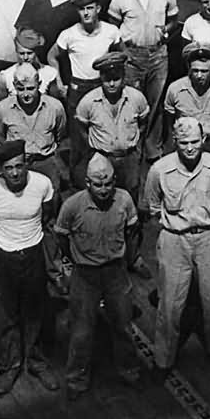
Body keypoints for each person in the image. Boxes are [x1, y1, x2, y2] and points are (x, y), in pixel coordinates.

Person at [143, 116, 210, 374]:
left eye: (195, 142)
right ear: (174, 141)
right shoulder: (159, 170)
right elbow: (153, 206)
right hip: (175, 240)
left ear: (204, 140)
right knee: (170, 305)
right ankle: (163, 360)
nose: (189, 148)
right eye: (184, 142)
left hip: (209, 237)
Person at [54, 152, 144, 400]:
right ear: (87, 183)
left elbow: (132, 232)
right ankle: (76, 380)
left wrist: (128, 260)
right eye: (98, 184)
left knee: (123, 326)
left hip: (116, 272)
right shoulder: (72, 206)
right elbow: (61, 236)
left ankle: (130, 371)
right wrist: (71, 261)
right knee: (82, 331)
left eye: (108, 183)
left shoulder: (124, 200)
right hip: (85, 275)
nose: (104, 189)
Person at [0, 140, 60, 394]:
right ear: (1, 169)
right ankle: (9, 364)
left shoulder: (42, 185)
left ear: (27, 164)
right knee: (4, 312)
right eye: (9, 168)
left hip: (33, 254)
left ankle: (36, 361)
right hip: (3, 257)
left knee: (36, 310)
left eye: (19, 166)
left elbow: (48, 214)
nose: (15, 173)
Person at [107, 0, 178, 161]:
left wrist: (166, 32)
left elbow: (174, 20)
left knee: (155, 104)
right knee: (132, 103)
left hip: (158, 54)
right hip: (132, 57)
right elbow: (112, 27)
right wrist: (124, 51)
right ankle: (133, 147)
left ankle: (153, 150)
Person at [72, 51, 150, 234]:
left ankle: (130, 235)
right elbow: (81, 127)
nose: (112, 83)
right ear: (101, 78)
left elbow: (144, 122)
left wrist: (136, 146)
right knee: (103, 199)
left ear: (124, 77)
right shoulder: (89, 102)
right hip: (103, 159)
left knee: (130, 194)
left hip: (129, 157)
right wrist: (94, 150)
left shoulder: (136, 98)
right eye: (108, 79)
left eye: (117, 78)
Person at [53, 0, 122, 175]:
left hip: (103, 87)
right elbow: (53, 56)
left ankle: (106, 174)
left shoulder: (111, 31)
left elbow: (122, 54)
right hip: (78, 88)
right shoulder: (68, 35)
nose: (86, 13)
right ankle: (80, 180)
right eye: (81, 9)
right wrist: (60, 81)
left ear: (98, 8)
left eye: (89, 8)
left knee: (105, 130)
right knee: (79, 137)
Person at [0, 62, 68, 195]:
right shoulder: (3, 109)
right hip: (18, 167)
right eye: (21, 89)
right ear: (14, 86)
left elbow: (60, 134)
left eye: (31, 88)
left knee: (51, 201)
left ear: (39, 84)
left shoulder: (55, 107)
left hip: (46, 163)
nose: (26, 94)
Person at [163, 42, 210, 166]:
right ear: (188, 68)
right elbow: (169, 117)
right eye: (195, 71)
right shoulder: (175, 89)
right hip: (187, 142)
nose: (199, 75)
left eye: (204, 71)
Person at [0, 27, 60, 106]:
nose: (25, 57)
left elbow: (55, 105)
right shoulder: (6, 75)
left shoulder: (49, 73)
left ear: (36, 52)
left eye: (29, 53)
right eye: (21, 53)